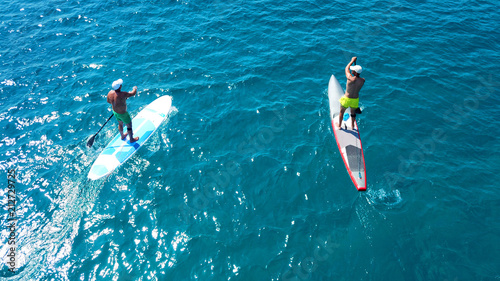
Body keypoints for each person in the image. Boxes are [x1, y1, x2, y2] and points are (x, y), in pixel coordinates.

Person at [338, 57, 365, 130]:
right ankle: (353, 127)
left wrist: (352, 61)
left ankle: (339, 126)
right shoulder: (363, 80)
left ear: (355, 72)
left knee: (341, 112)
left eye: (353, 70)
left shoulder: (350, 78)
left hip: (347, 99)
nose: (351, 70)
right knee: (353, 114)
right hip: (355, 100)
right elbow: (358, 78)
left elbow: (346, 68)